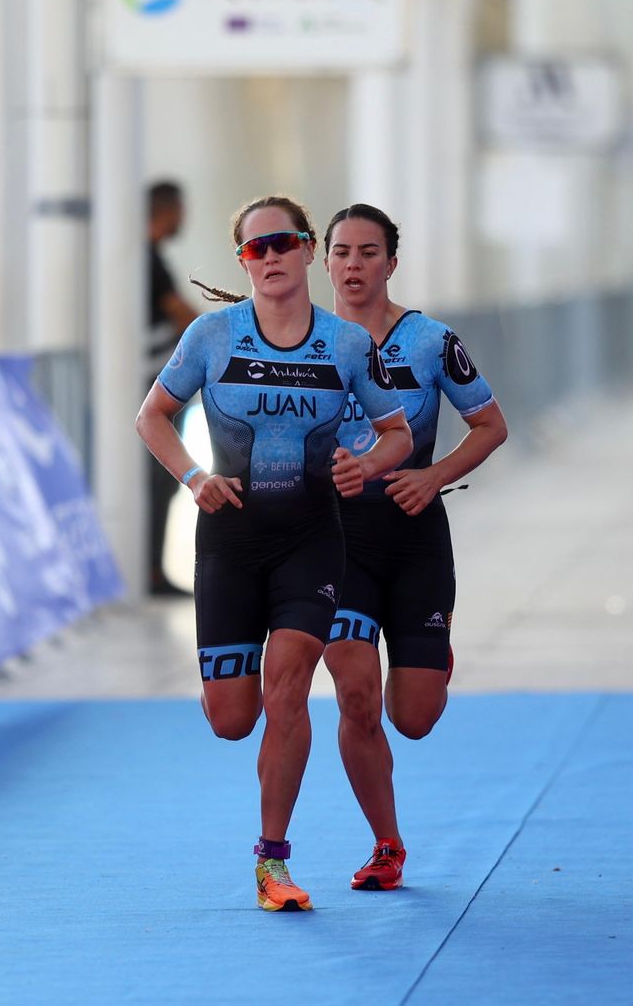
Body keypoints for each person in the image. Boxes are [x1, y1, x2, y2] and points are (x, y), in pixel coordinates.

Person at [134, 195, 412, 912]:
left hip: (311, 542)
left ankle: (272, 861)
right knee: (232, 717)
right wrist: (195, 478)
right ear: (243, 261)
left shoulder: (347, 345)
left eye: (283, 243)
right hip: (230, 542)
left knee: (288, 690)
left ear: (308, 248)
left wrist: (368, 466)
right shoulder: (211, 336)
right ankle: (260, 769)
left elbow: (398, 436)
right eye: (257, 248)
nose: (271, 257)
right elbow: (152, 416)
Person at [320, 204, 508, 892]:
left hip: (415, 535)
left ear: (391, 264)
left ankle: (431, 652)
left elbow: (490, 425)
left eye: (369, 253)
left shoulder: (430, 341)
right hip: (337, 546)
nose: (353, 265)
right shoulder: (302, 344)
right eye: (341, 252)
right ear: (325, 262)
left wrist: (433, 476)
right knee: (356, 699)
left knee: (414, 717)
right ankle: (386, 843)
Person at [145, 180, 198, 596]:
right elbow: (182, 313)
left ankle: (152, 570)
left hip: (151, 381)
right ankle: (150, 572)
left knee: (159, 478)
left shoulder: (148, 257)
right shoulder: (149, 260)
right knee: (158, 476)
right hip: (152, 384)